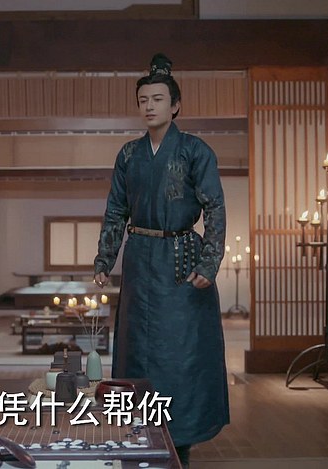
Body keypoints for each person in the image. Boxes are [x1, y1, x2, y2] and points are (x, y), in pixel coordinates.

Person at [93, 53, 229, 468]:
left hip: (181, 264)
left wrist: (209, 263)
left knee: (179, 356)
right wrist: (104, 259)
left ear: (175, 105)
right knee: (136, 351)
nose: (149, 106)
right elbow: (116, 210)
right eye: (143, 100)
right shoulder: (128, 155)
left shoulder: (194, 151)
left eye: (157, 99)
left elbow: (215, 207)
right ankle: (137, 435)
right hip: (139, 262)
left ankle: (179, 441)